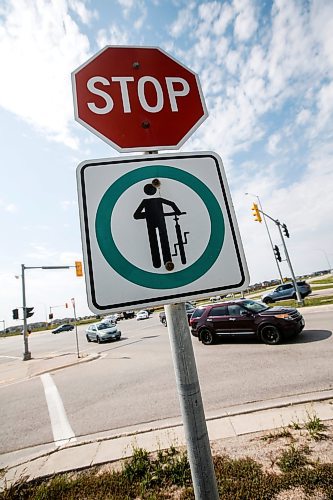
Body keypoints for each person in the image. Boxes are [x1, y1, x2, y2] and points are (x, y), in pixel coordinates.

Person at [134, 183, 184, 268]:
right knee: (161, 239)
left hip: (152, 223)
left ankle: (160, 263)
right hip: (158, 222)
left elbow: (136, 215)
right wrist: (177, 211)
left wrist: (148, 214)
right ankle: (164, 262)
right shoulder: (158, 200)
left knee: (155, 240)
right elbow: (172, 204)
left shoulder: (145, 202)